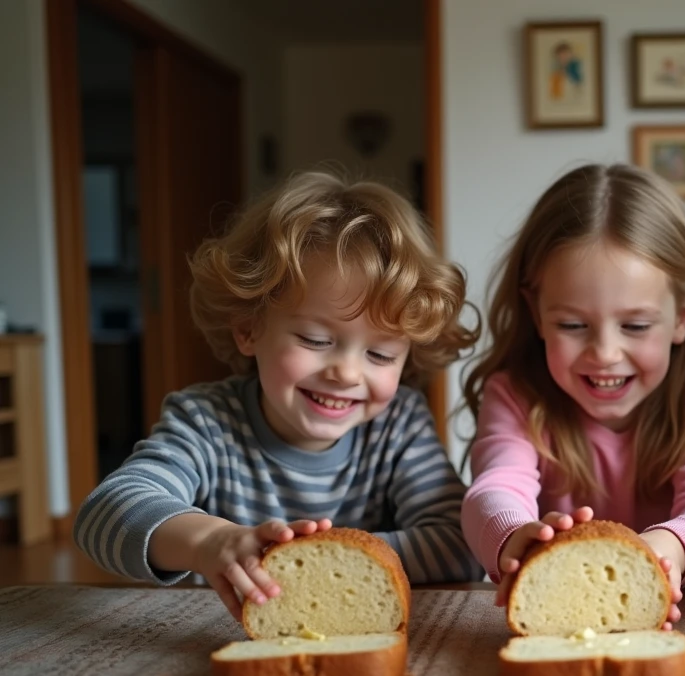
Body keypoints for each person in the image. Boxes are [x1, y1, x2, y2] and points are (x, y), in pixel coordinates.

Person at [74, 170, 483, 619]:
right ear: (249, 329)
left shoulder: (399, 423)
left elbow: (459, 544)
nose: (346, 372)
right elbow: (105, 514)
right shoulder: (206, 420)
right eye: (314, 339)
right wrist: (211, 542)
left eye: (380, 354)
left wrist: (310, 561)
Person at [462, 163, 685, 626]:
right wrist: (517, 539)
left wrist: (670, 549)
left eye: (635, 326)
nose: (605, 353)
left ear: (683, 315)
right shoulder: (515, 395)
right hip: (558, 610)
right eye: (573, 325)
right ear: (536, 313)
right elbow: (495, 487)